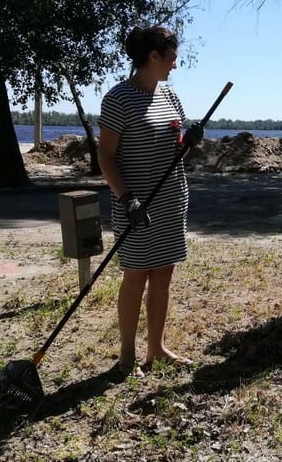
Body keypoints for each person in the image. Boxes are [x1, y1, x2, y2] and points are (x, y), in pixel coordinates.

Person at [97, 25, 199, 379]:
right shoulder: (119, 98)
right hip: (136, 207)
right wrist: (127, 199)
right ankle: (127, 354)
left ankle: (156, 347)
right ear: (153, 57)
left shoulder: (170, 95)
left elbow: (176, 146)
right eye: (171, 57)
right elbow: (106, 157)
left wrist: (190, 140)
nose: (175, 64)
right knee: (136, 276)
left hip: (170, 201)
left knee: (163, 277)